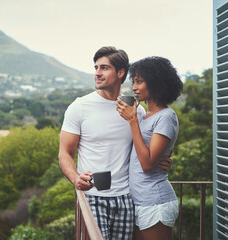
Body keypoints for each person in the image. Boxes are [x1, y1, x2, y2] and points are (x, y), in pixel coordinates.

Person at [58, 47, 171, 239]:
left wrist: (164, 160)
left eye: (104, 68)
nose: (97, 73)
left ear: (120, 73)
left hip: (127, 197)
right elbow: (64, 153)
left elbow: (148, 151)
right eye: (96, 68)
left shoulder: (136, 111)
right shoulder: (80, 107)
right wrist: (75, 178)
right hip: (93, 196)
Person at [116, 56, 183, 240]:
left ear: (155, 83)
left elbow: (147, 164)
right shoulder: (147, 116)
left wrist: (132, 121)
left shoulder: (166, 116)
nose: (134, 88)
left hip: (155, 202)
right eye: (133, 82)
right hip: (140, 201)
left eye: (139, 82)